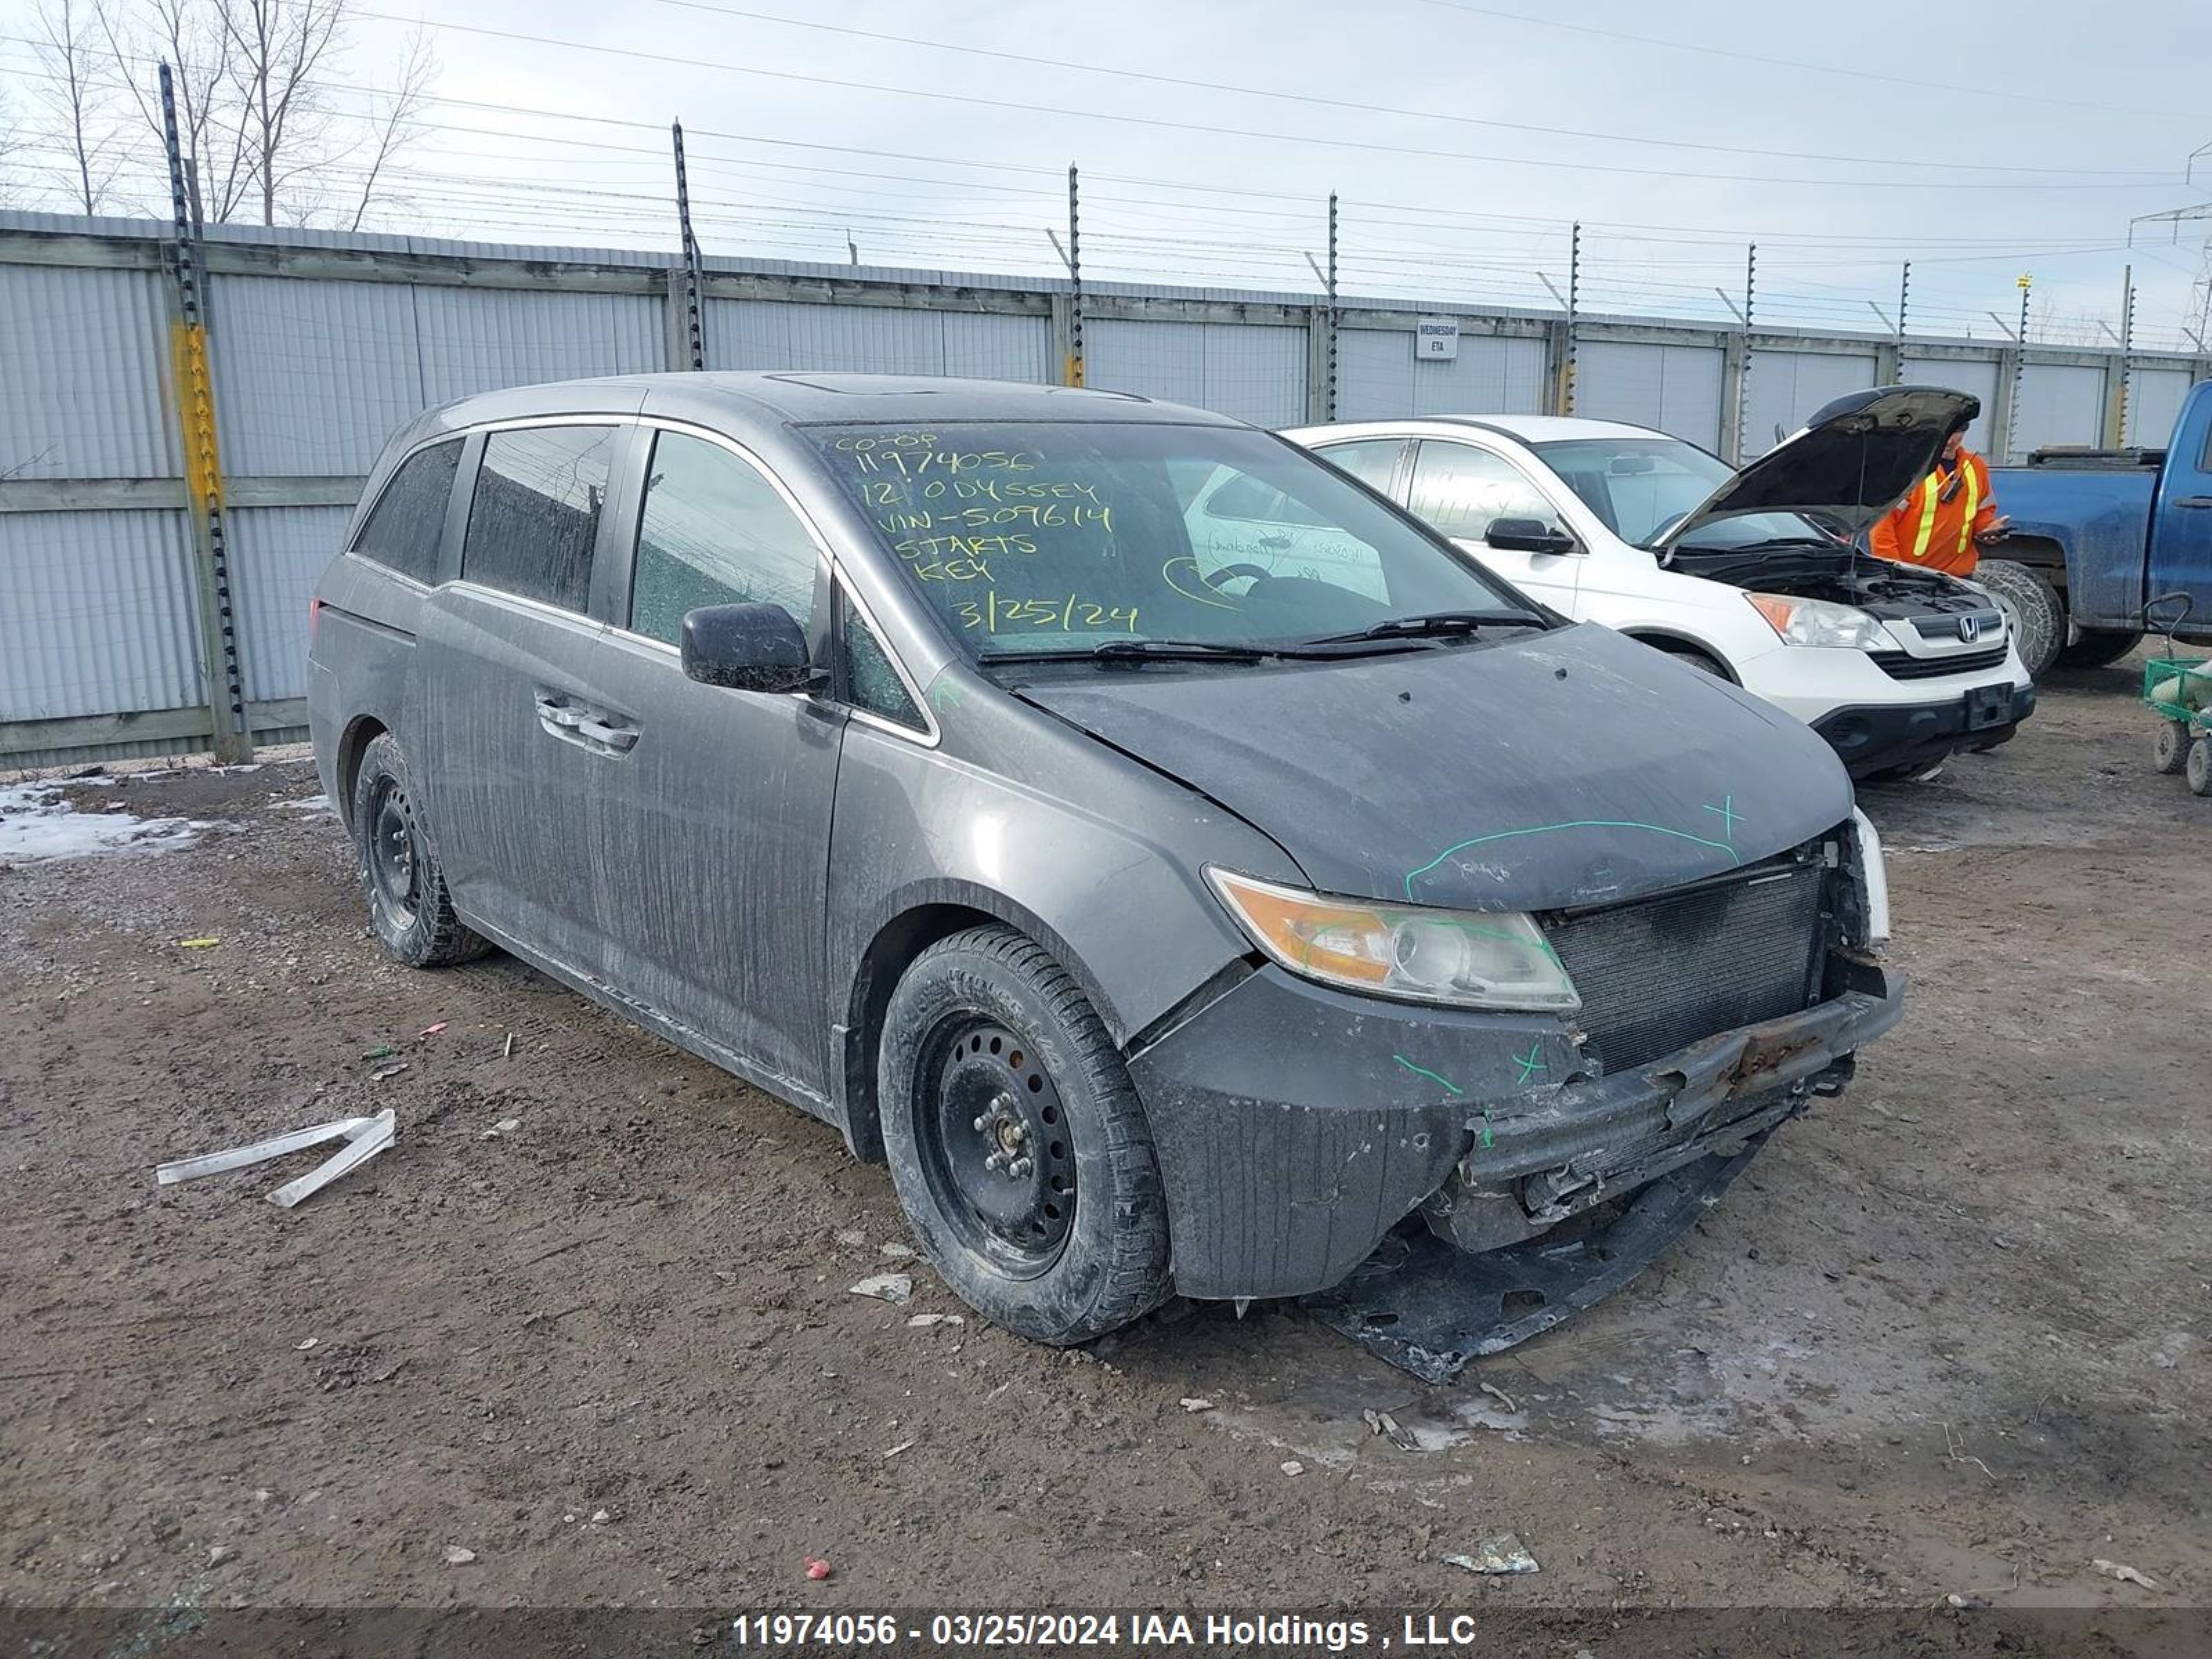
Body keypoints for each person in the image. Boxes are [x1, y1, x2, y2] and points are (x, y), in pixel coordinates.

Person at [1868, 422, 2009, 577]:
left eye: (1957, 432)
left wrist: (1988, 529)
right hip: (1910, 576)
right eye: (1946, 433)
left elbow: (1982, 511)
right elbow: (1881, 525)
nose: (1950, 441)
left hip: (1959, 577)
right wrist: (1893, 569)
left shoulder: (1976, 467)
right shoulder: (1907, 468)